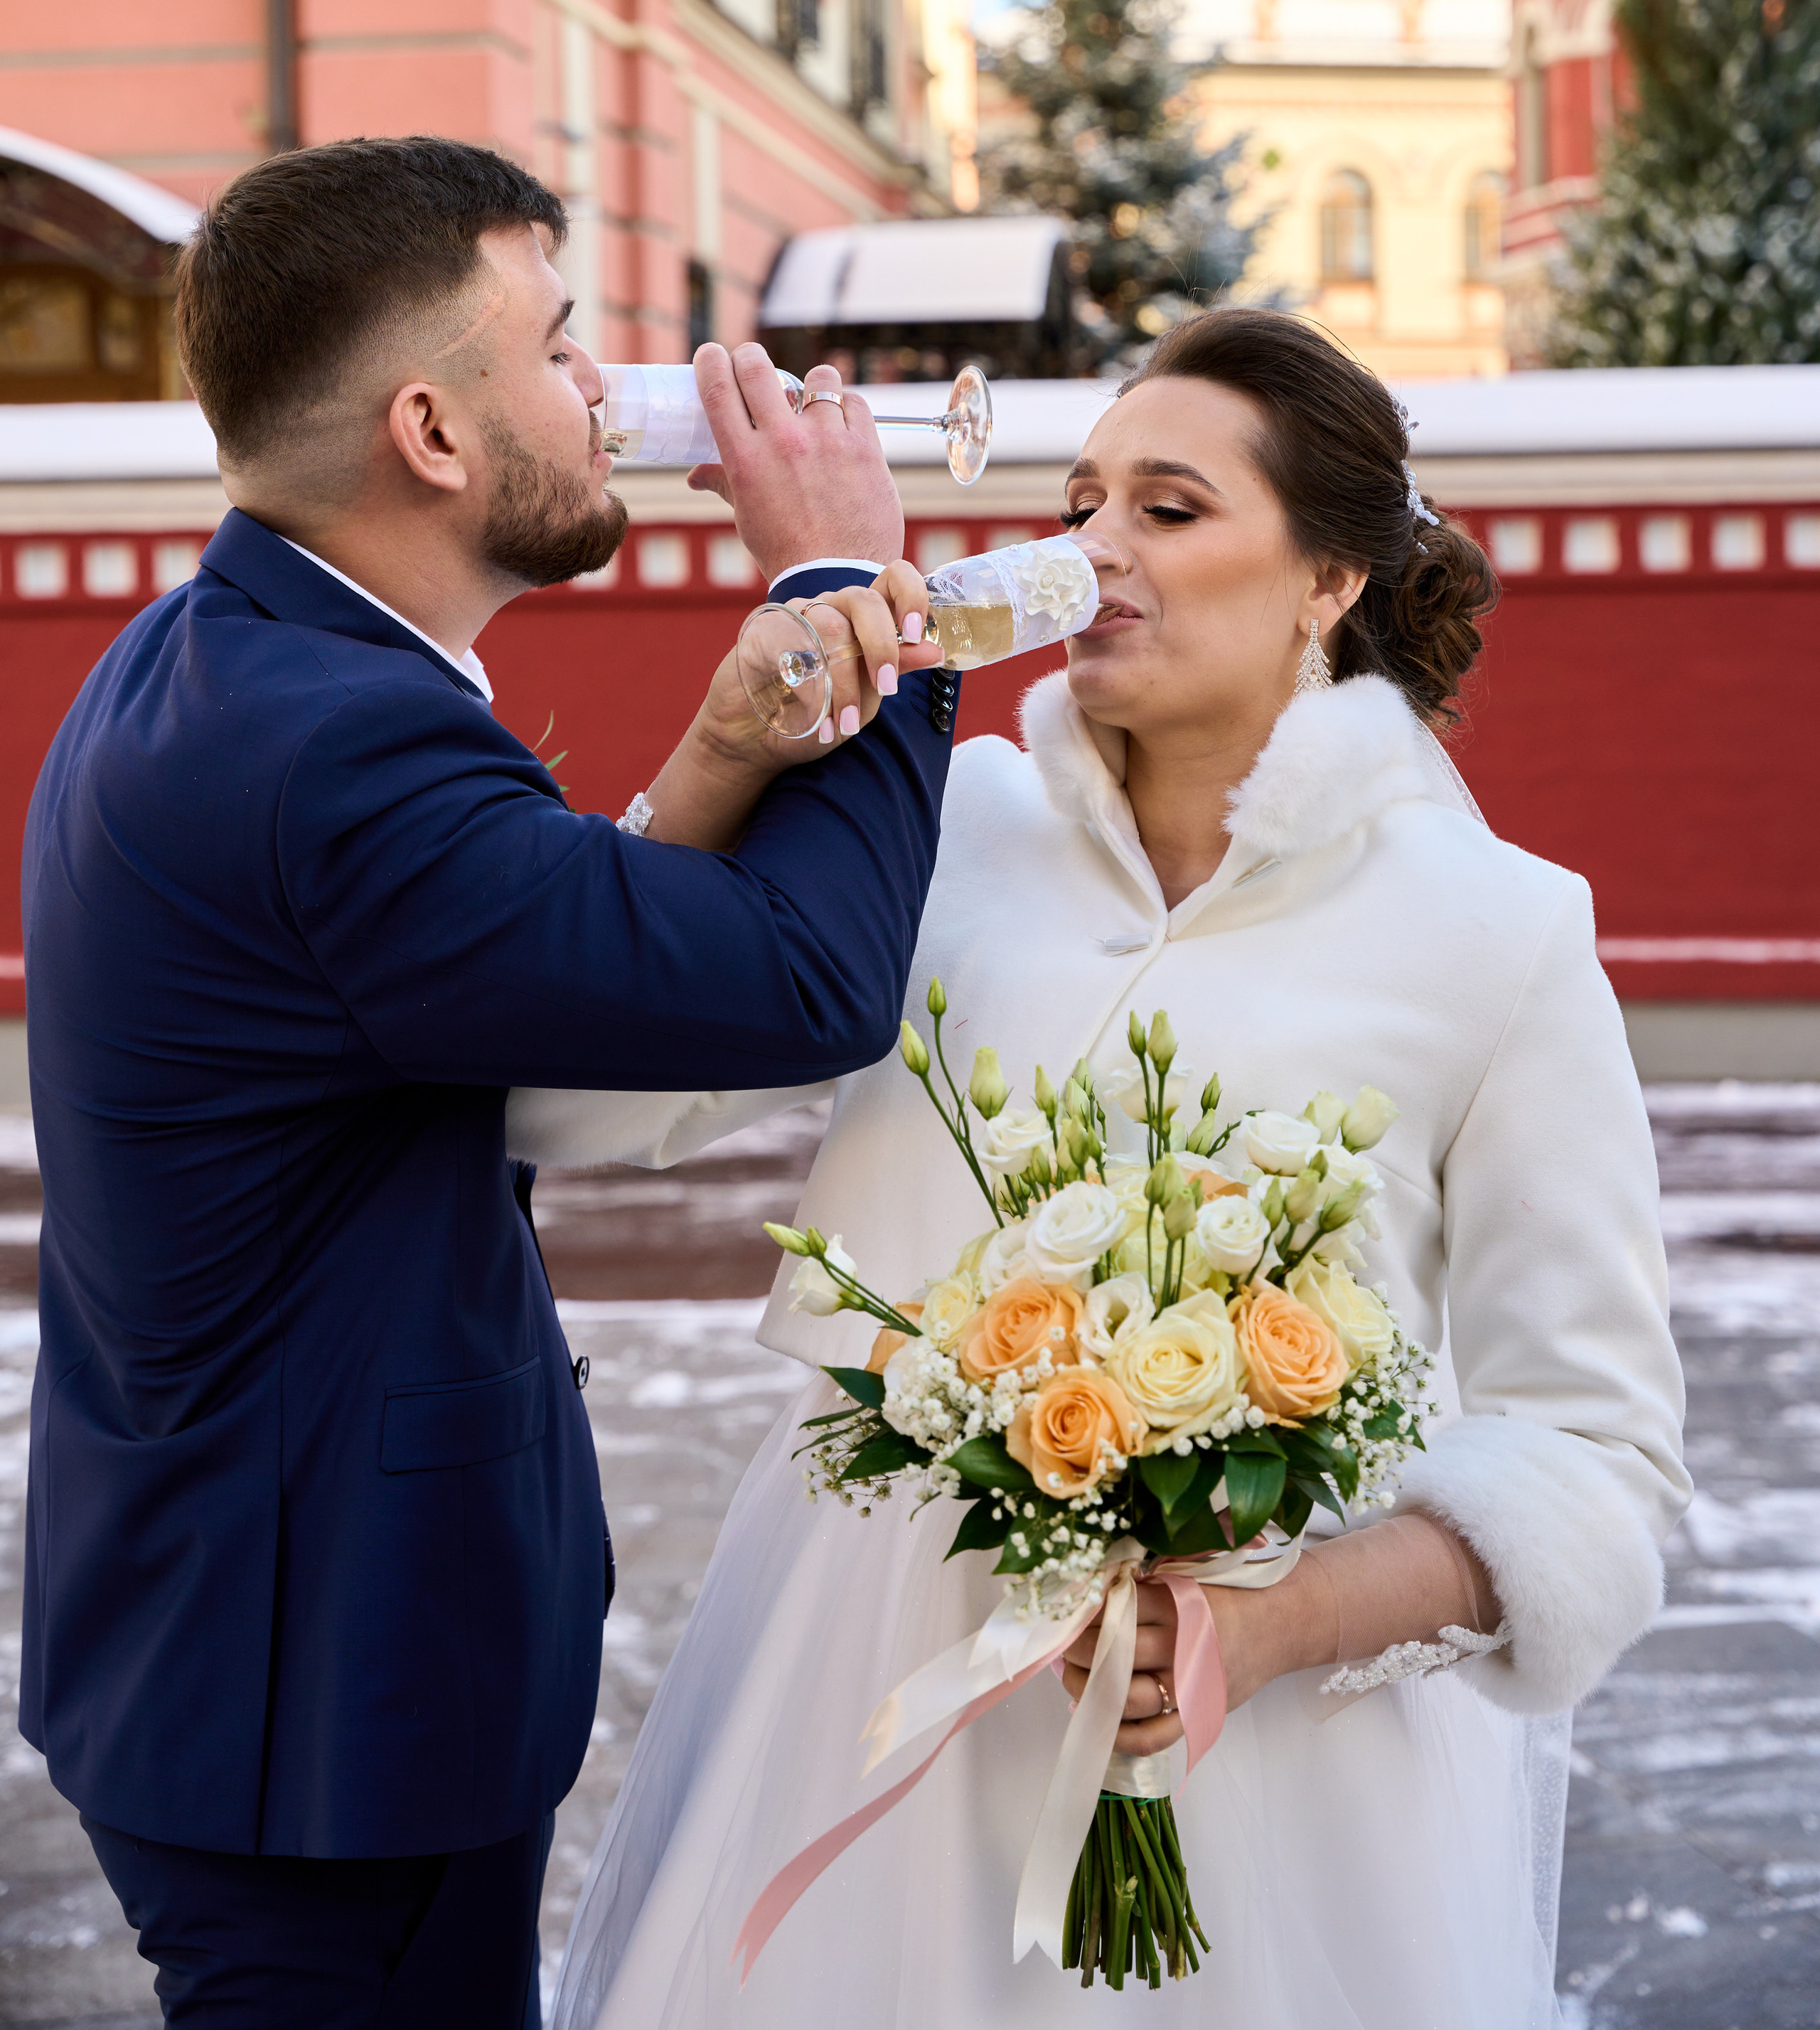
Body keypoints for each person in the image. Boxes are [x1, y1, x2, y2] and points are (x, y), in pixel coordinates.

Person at [520, 306, 1690, 2030]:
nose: (1090, 552)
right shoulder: (934, 821)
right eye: (1077, 503)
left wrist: (1275, 1625)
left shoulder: (1501, 932)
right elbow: (565, 1104)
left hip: (1277, 1775)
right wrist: (731, 760)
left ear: (1329, 580)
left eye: (1168, 508)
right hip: (870, 1685)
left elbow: (1600, 1460)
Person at [19, 134, 956, 2029]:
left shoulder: (231, 660)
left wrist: (708, 756)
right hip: (320, 1706)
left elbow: (514, 990)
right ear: (436, 435)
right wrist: (847, 569)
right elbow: (811, 982)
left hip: (246, 1651)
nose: (619, 394)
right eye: (562, 342)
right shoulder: (337, 752)